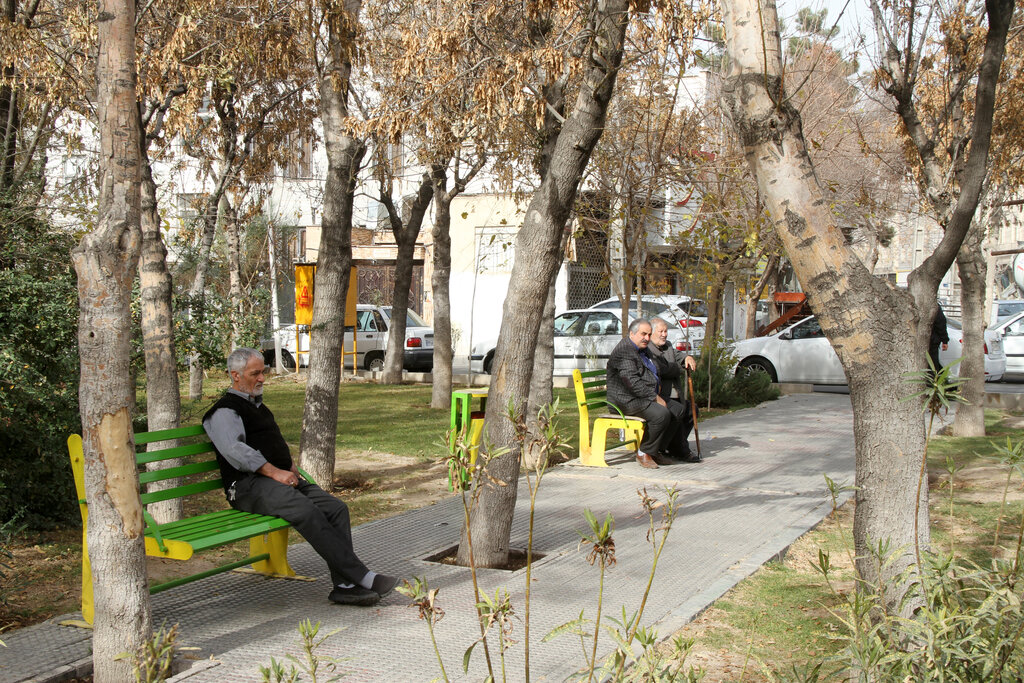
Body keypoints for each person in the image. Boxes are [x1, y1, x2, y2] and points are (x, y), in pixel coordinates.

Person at [203, 348, 398, 606]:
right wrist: (275, 472)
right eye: (255, 373)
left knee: (336, 508)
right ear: (236, 376)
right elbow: (235, 451)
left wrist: (290, 465)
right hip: (246, 486)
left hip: (276, 479)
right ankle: (363, 576)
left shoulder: (258, 407)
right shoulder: (224, 411)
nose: (262, 378)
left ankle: (345, 585)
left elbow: (270, 442)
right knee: (305, 509)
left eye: (263, 371)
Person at [606, 318, 700, 469]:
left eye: (649, 335)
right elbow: (632, 382)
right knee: (661, 414)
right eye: (644, 334)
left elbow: (657, 366)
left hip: (641, 396)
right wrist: (655, 397)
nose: (647, 338)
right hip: (625, 400)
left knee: (679, 410)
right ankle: (644, 452)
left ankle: (657, 450)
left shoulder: (641, 349)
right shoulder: (624, 351)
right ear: (632, 333)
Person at [647, 317, 700, 460]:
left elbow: (678, 355)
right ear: (651, 333)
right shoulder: (648, 349)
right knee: (677, 411)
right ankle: (681, 450)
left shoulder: (668, 346)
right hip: (658, 396)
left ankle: (674, 446)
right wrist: (677, 368)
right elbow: (660, 369)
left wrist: (686, 358)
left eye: (666, 331)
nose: (664, 334)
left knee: (692, 409)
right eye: (661, 331)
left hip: (674, 395)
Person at [929, 305, 949, 376]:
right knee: (932, 365)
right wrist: (945, 340)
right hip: (932, 341)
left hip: (931, 340)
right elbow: (941, 323)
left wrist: (945, 340)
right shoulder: (934, 306)